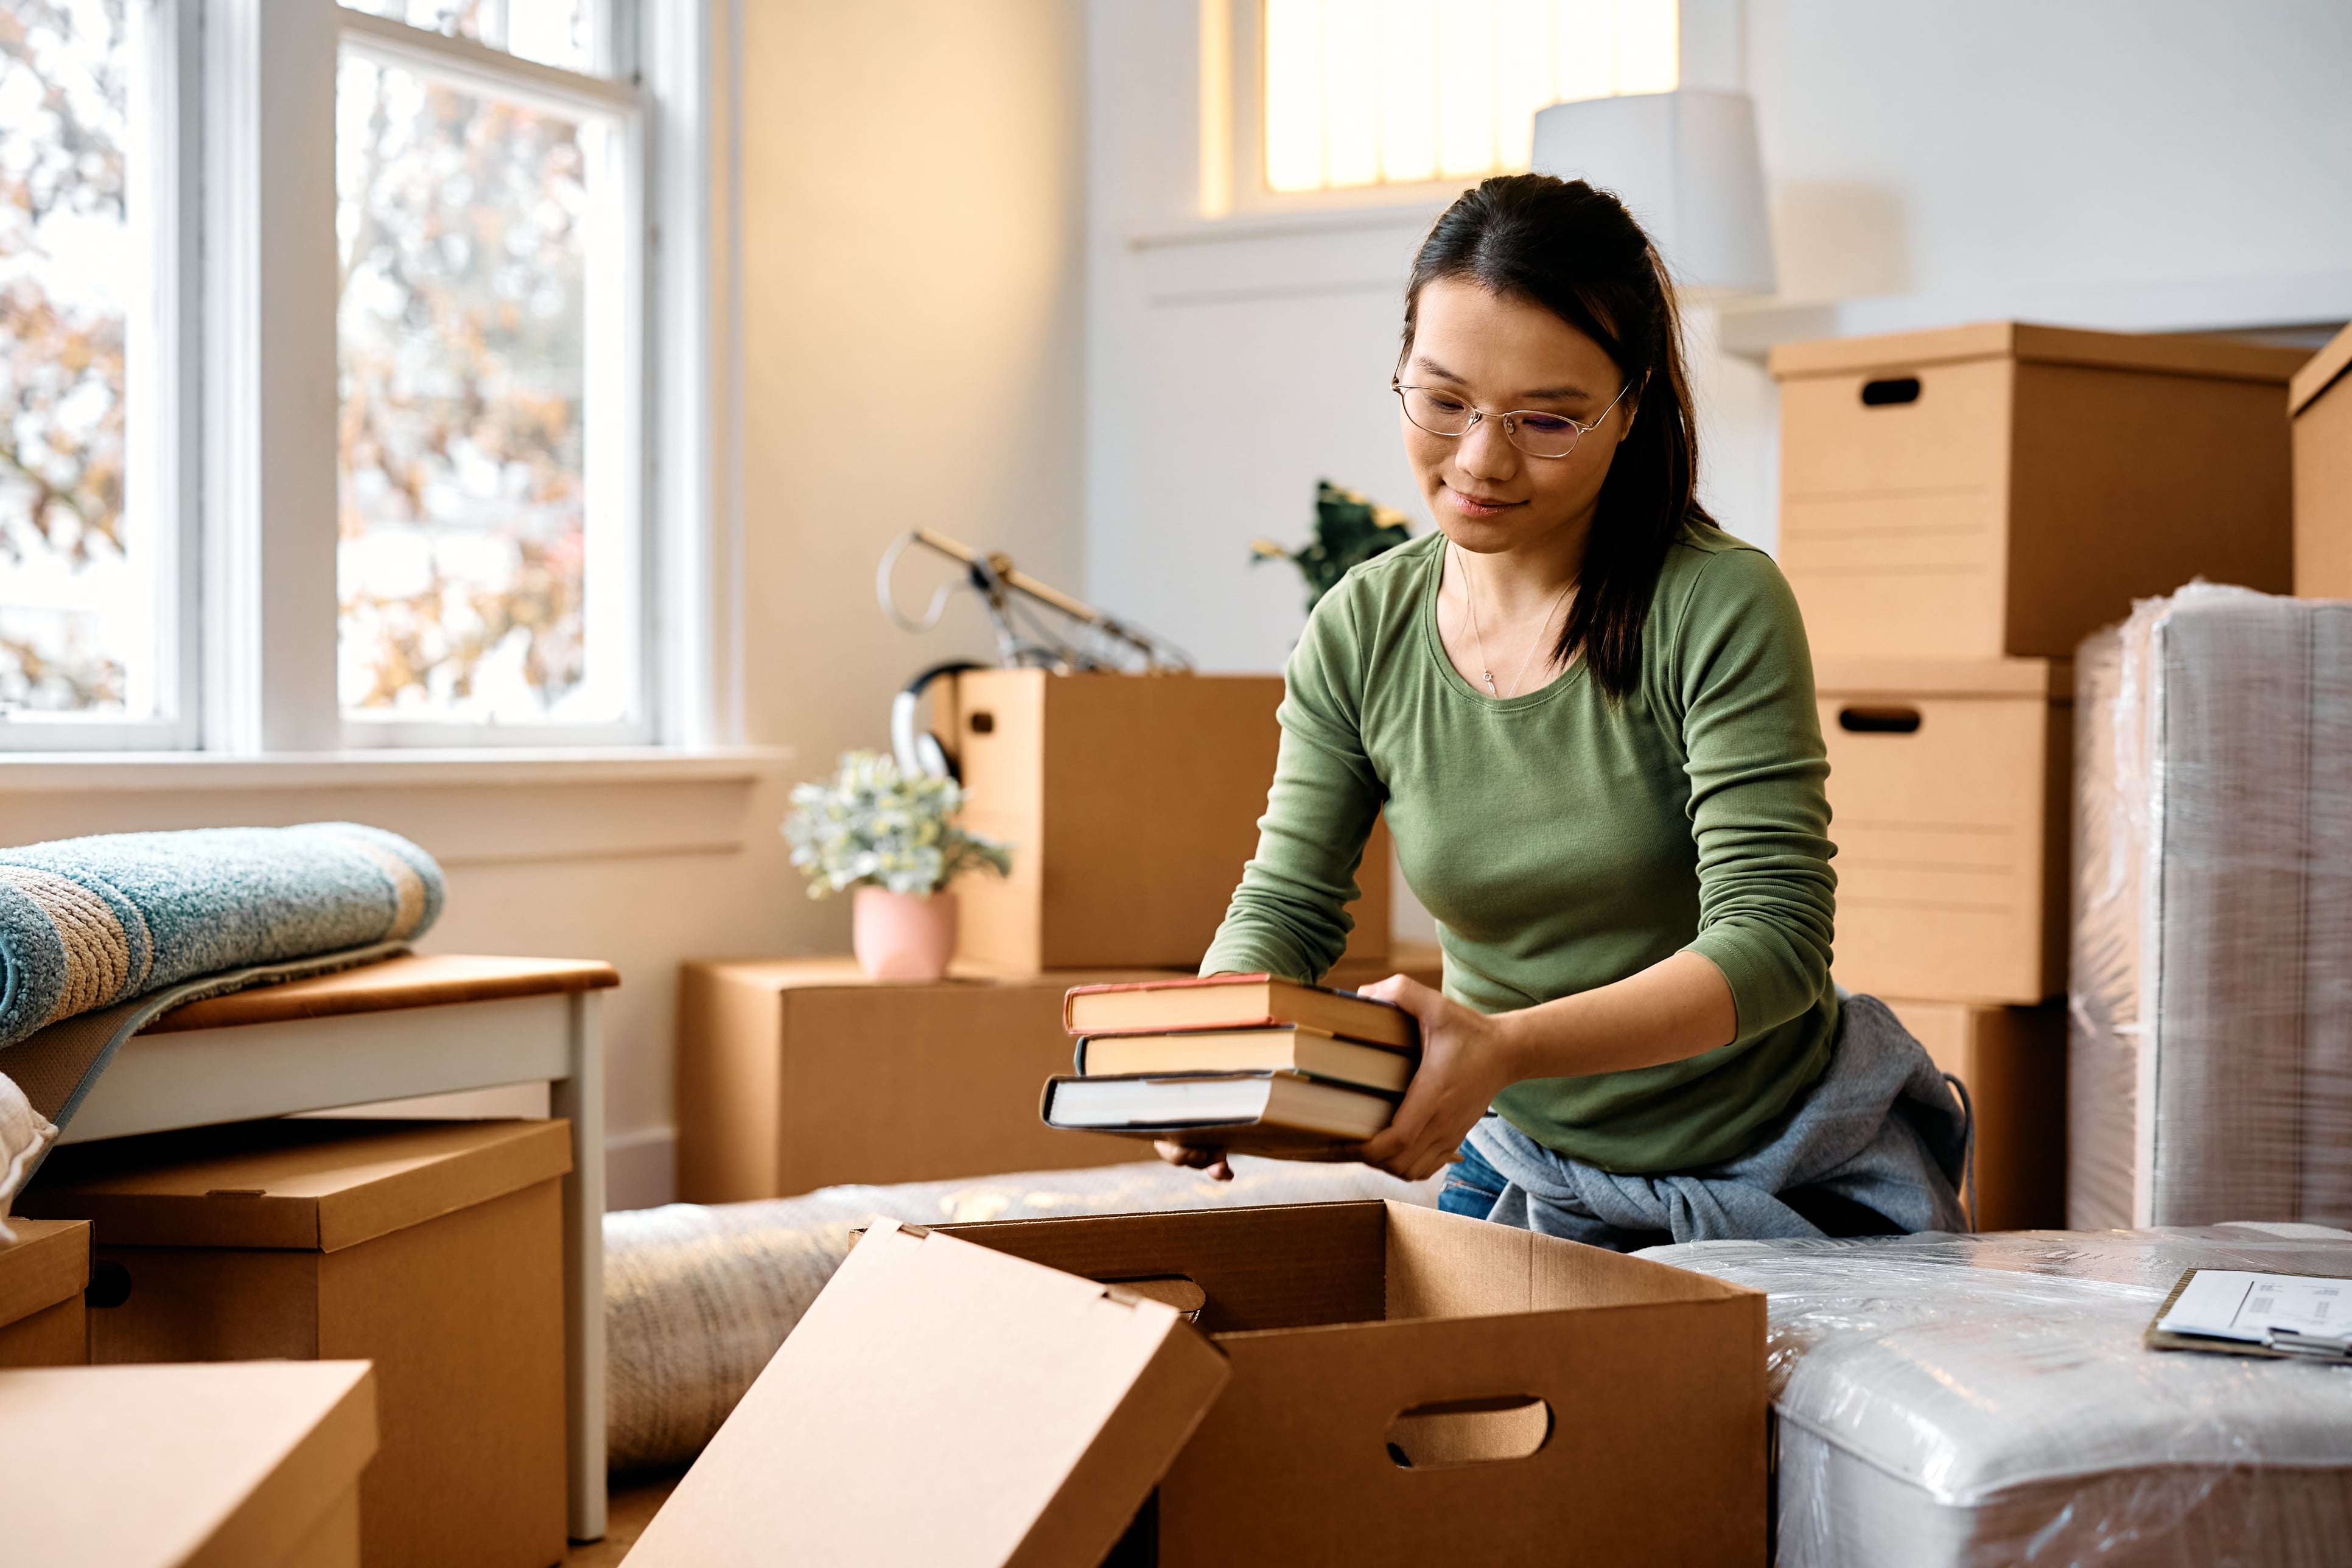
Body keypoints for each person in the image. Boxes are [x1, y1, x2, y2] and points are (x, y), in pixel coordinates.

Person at [1161, 174, 1967, 1249]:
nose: (1482, 461)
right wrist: (1208, 1049)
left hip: (1780, 1167)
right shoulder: (1361, 627)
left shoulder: (1716, 602)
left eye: (1547, 419)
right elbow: (1292, 904)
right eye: (1443, 402)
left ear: (1631, 410)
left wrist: (1501, 1047)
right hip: (1530, 1171)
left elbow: (1774, 940)